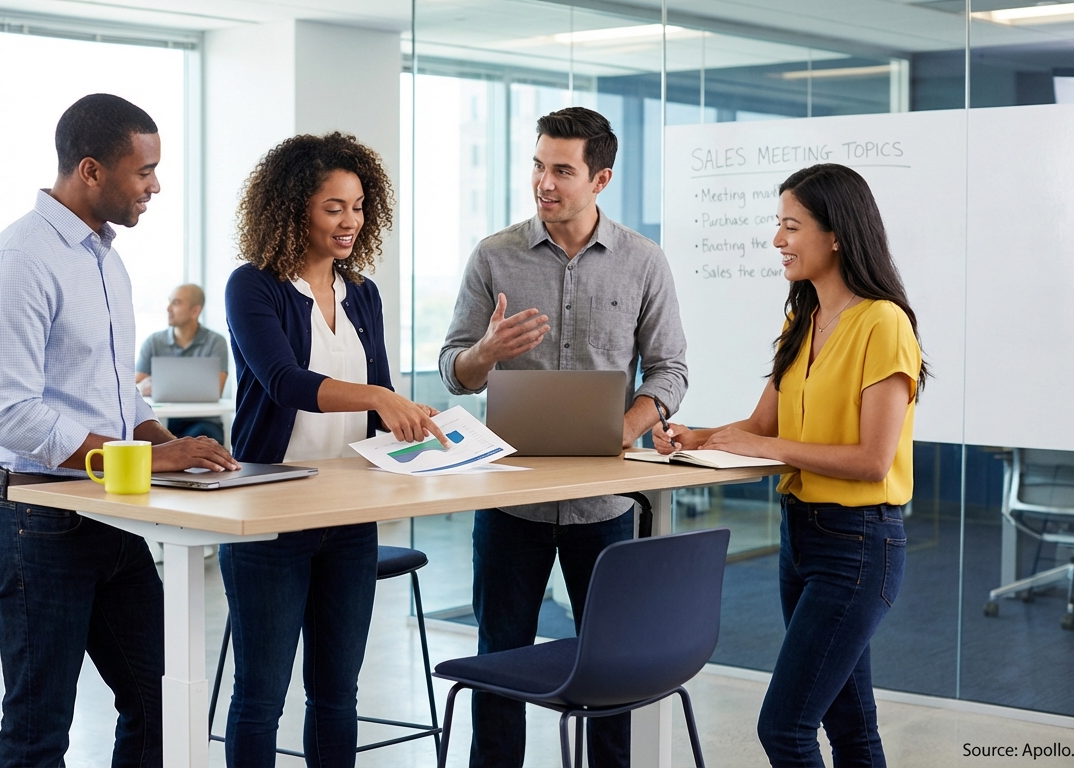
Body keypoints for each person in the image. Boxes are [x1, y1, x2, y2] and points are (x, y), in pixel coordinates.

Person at [0, 93, 238, 768]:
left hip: (109, 516)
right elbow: (12, 415)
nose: (155, 185)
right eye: (143, 170)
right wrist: (142, 458)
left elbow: (115, 396)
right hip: (36, 518)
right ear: (91, 170)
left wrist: (161, 444)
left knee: (163, 703)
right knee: (39, 730)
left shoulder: (105, 260)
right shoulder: (20, 260)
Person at [439, 107, 688, 768]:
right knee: (499, 667)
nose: (543, 183)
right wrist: (485, 352)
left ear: (600, 178)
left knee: (612, 675)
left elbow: (670, 369)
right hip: (510, 504)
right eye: (537, 165)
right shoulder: (495, 255)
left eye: (562, 170)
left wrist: (621, 432)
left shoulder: (643, 261)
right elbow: (455, 372)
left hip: (605, 509)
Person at [654, 164, 925, 768]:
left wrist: (766, 449)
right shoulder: (801, 319)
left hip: (858, 546)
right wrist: (695, 435)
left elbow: (872, 460)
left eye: (791, 225)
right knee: (852, 728)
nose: (778, 240)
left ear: (836, 234)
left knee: (785, 727)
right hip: (800, 537)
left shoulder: (883, 323)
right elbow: (761, 429)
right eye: (778, 224)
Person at [222, 132, 446, 767]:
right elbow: (285, 383)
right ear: (295, 209)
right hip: (272, 517)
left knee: (336, 695)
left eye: (358, 206)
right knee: (261, 696)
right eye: (333, 207)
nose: (351, 221)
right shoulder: (254, 287)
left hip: (349, 517)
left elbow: (383, 402)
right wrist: (380, 398)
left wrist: (418, 426)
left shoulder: (363, 294)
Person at [135, 283, 230, 442]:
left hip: (204, 422)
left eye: (176, 303)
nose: (168, 308)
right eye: (170, 301)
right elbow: (135, 388)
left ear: (195, 311)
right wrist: (142, 387)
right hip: (161, 422)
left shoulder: (216, 342)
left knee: (202, 437)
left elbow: (216, 389)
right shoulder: (153, 342)